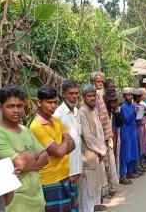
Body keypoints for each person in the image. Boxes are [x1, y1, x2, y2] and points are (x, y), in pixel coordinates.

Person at [0, 85, 48, 212]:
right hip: (16, 203)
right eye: (10, 106)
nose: (16, 110)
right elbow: (20, 163)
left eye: (19, 106)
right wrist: (35, 154)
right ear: (0, 107)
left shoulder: (25, 130)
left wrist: (25, 159)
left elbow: (46, 158)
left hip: (38, 200)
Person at [29, 85, 76, 212]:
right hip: (50, 180)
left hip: (64, 176)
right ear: (39, 102)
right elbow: (61, 150)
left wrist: (62, 144)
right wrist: (65, 141)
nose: (53, 106)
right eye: (49, 103)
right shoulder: (36, 126)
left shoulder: (55, 120)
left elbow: (73, 145)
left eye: (55, 102)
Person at [78, 85, 108, 212]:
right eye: (89, 96)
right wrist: (101, 150)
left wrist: (102, 150)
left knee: (96, 189)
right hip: (88, 157)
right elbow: (88, 137)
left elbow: (100, 132)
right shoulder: (82, 112)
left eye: (93, 96)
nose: (92, 98)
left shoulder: (94, 110)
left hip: (97, 155)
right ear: (83, 97)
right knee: (88, 193)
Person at [54, 80, 82, 212]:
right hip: (66, 168)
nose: (74, 96)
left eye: (76, 93)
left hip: (76, 166)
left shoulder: (76, 111)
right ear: (63, 93)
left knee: (74, 202)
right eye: (71, 93)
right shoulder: (58, 114)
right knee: (68, 204)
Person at [91, 72, 119, 199]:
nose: (100, 84)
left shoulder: (104, 95)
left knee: (108, 162)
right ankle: (101, 193)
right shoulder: (92, 97)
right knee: (100, 164)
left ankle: (107, 188)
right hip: (97, 135)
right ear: (92, 82)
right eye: (98, 81)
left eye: (102, 81)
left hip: (106, 132)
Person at [120, 87, 140, 183]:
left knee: (133, 150)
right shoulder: (123, 107)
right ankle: (123, 175)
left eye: (131, 95)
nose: (130, 97)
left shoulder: (132, 105)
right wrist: (134, 112)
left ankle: (130, 171)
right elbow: (127, 120)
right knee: (126, 152)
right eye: (128, 95)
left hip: (132, 130)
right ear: (124, 96)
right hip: (126, 131)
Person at [133, 88, 146, 170]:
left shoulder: (140, 104)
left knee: (142, 145)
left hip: (142, 126)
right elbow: (136, 118)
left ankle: (141, 163)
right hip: (137, 128)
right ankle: (139, 165)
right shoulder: (134, 105)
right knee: (139, 146)